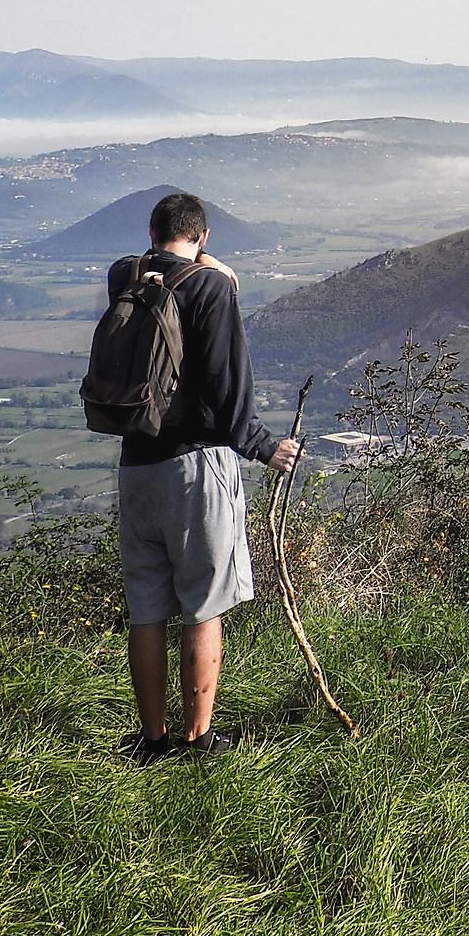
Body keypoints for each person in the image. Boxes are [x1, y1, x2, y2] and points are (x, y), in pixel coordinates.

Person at [110, 189, 299, 763]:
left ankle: (151, 739)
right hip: (197, 467)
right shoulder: (210, 287)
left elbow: (148, 264)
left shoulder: (128, 275)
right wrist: (263, 446)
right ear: (204, 237)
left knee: (146, 606)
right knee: (203, 603)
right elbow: (226, 381)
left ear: (151, 233)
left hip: (136, 463)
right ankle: (197, 738)